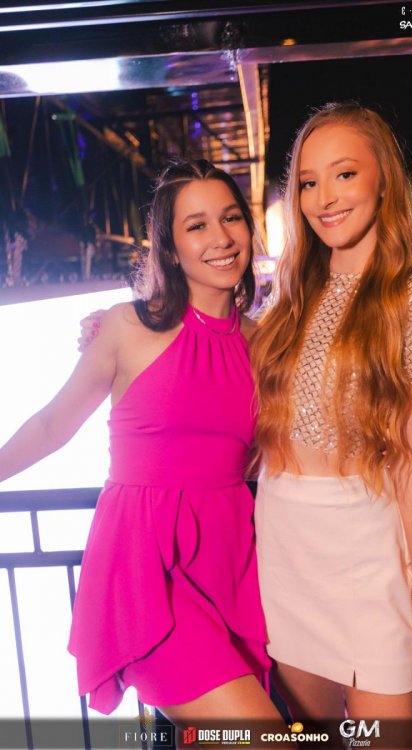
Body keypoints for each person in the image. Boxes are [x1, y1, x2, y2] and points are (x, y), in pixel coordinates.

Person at [0, 159, 290, 741]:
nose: (220, 237)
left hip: (232, 563)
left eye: (230, 218)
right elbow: (54, 424)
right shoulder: (124, 327)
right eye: (197, 225)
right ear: (170, 247)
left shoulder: (264, 347)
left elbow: (269, 457)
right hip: (146, 573)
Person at [250, 102, 412, 748]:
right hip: (286, 554)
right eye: (308, 182)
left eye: (344, 174)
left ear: (383, 179)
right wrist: (124, 321)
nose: (324, 198)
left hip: (368, 560)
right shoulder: (285, 301)